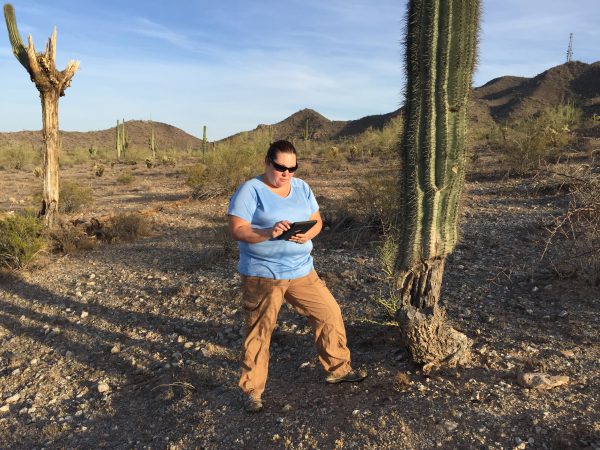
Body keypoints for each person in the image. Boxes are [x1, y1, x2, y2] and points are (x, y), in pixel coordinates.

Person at [227, 139, 367, 413]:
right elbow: (238, 229)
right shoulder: (251, 190)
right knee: (260, 331)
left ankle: (338, 369)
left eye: (292, 168)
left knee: (329, 313)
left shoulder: (301, 187)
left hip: (302, 270)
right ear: (267, 162)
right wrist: (269, 233)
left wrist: (307, 234)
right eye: (280, 167)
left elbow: (317, 221)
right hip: (263, 274)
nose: (286, 173)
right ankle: (252, 391)